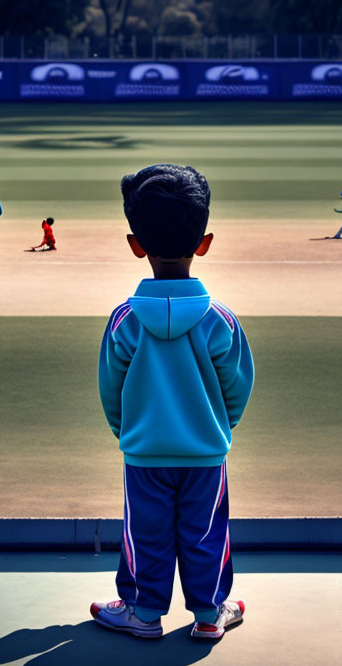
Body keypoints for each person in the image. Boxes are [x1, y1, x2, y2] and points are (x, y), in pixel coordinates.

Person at [92, 164, 255, 641]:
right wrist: (216, 428)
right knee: (207, 534)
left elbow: (110, 389)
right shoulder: (220, 320)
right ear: (203, 242)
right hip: (206, 454)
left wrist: (129, 433)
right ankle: (209, 615)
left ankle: (144, 615)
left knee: (146, 535)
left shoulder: (124, 320)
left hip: (144, 455)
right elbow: (238, 386)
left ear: (135, 244)